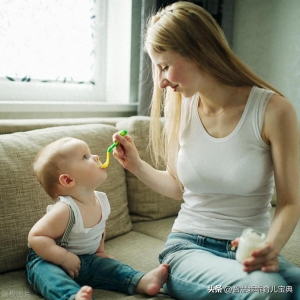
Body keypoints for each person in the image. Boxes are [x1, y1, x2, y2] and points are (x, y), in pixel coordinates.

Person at [112, 2, 300, 299]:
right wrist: (136, 165)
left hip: (244, 252)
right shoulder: (181, 107)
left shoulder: (273, 111)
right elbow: (178, 188)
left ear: (198, 51)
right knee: (270, 291)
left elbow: (290, 202)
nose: (160, 82)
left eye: (164, 65)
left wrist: (270, 247)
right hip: (187, 248)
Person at [26, 137, 169, 300]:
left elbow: (99, 229)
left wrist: (100, 252)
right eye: (85, 157)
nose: (95, 157)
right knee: (49, 276)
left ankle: (141, 281)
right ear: (68, 180)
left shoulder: (101, 200)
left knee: (113, 268)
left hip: (85, 260)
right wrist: (63, 257)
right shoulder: (65, 209)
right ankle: (72, 296)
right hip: (50, 259)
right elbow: (36, 236)